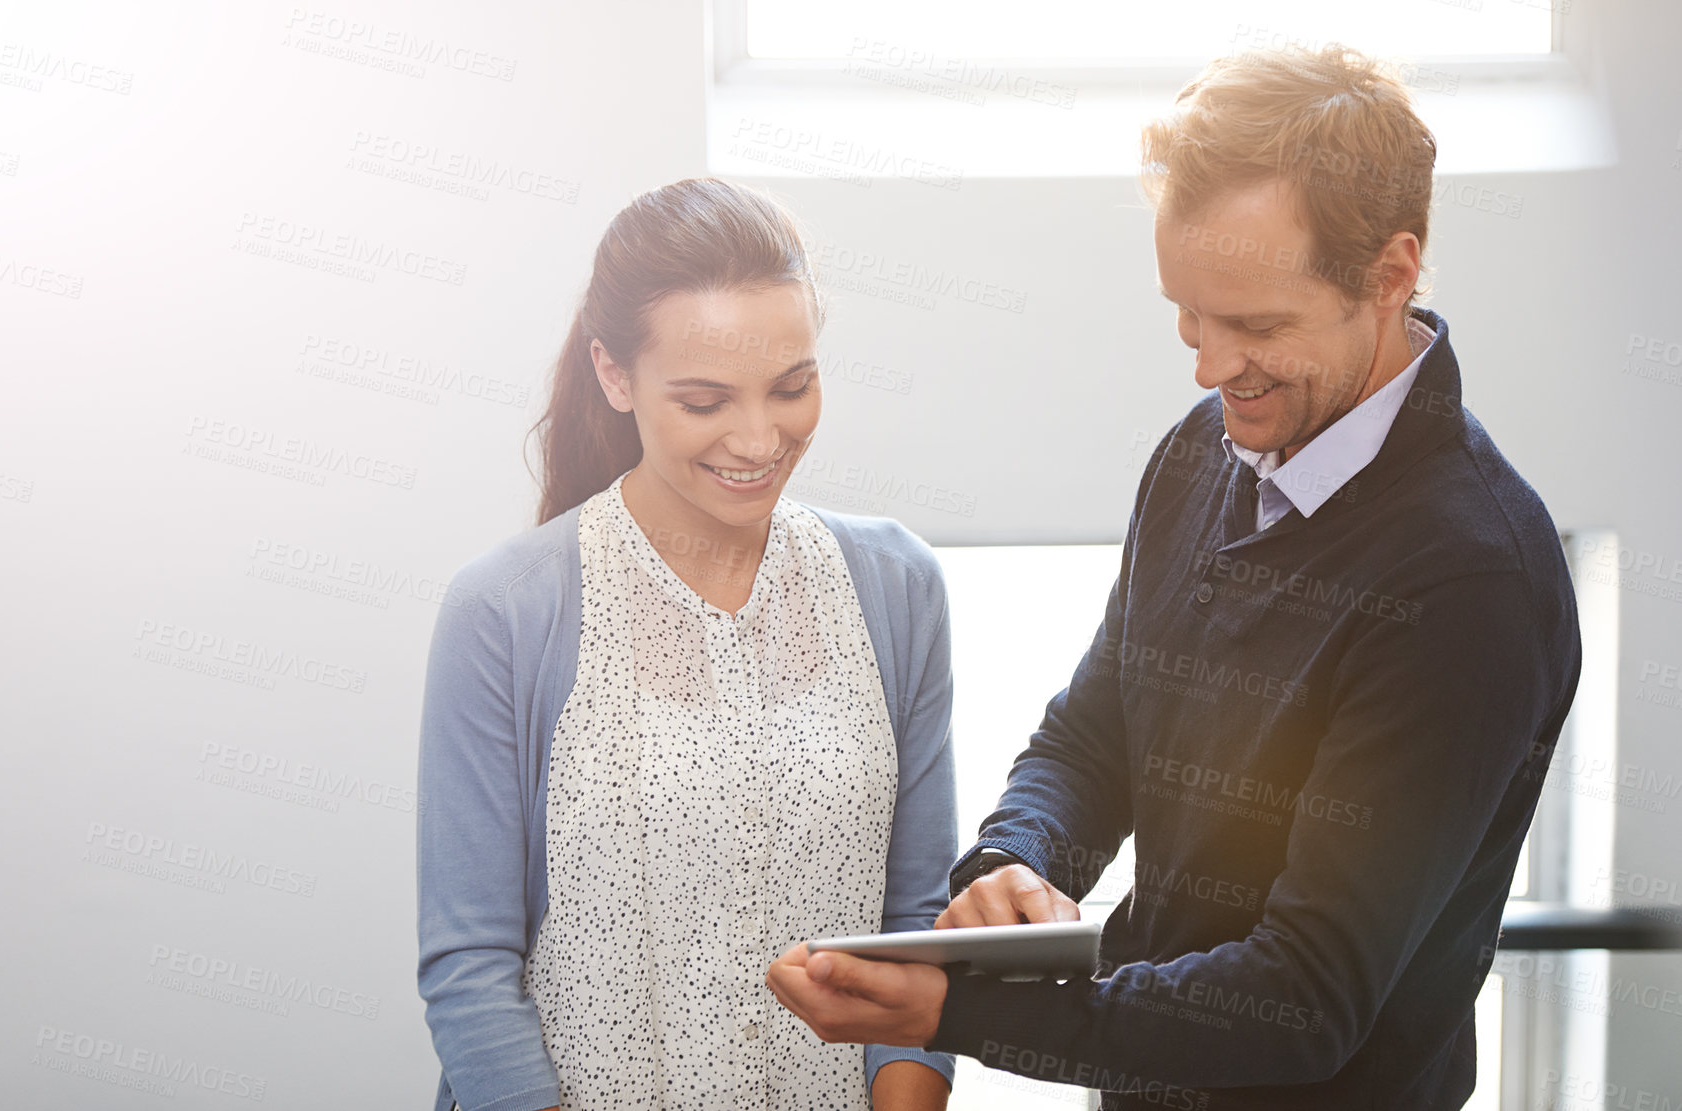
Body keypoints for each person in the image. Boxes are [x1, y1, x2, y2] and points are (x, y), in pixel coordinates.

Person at [766, 45, 1584, 1110]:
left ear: (1389, 275)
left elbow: (1301, 999)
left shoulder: (1470, 583)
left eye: (1256, 325)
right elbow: (1095, 731)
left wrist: (949, 1012)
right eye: (1189, 314)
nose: (1207, 365)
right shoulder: (1206, 449)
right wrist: (1012, 866)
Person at [416, 177, 957, 1111]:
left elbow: (913, 923)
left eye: (792, 386)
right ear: (614, 373)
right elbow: (470, 967)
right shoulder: (504, 612)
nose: (760, 437)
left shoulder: (896, 587)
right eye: (705, 400)